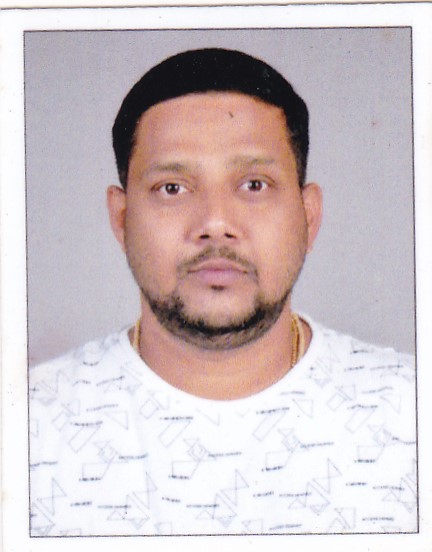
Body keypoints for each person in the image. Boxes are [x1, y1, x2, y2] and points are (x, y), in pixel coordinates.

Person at [29, 48, 417, 536]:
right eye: (173, 188)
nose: (215, 223)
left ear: (309, 216)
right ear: (121, 218)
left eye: (254, 184)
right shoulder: (28, 426)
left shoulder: (411, 414)